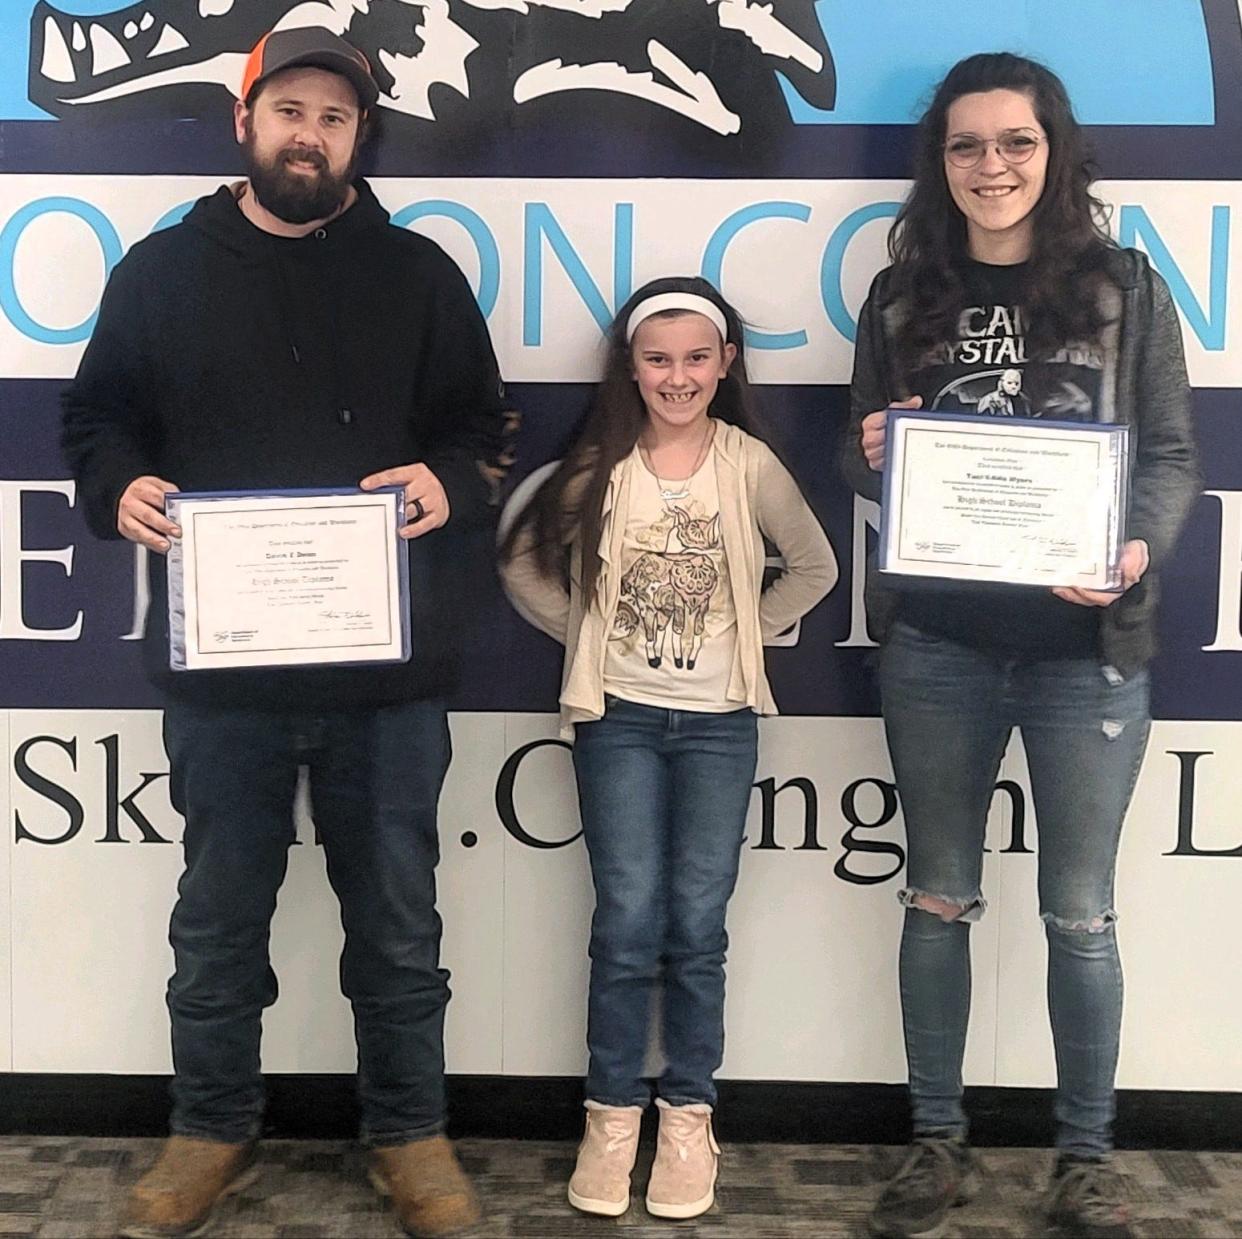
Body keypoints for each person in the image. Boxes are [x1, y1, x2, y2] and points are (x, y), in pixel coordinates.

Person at [61, 27, 509, 1239]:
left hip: (389, 674)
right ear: (245, 122)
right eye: (290, 110)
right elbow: (96, 420)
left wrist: (450, 486)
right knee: (216, 926)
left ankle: (411, 1138)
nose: (309, 134)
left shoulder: (418, 273)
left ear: (360, 139)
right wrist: (121, 489)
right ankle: (209, 1132)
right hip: (225, 677)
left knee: (401, 927)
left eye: (335, 118)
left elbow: (483, 429)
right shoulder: (160, 273)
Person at [840, 53, 1199, 1239]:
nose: (991, 166)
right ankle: (936, 1144)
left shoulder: (1126, 288)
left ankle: (1085, 1159)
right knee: (937, 898)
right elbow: (859, 457)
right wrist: (875, 454)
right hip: (939, 643)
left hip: (1084, 648)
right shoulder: (898, 299)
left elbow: (1170, 457)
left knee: (1081, 913)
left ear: (1054, 150)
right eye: (966, 145)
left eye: (1015, 142)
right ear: (939, 162)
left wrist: (1136, 553)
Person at [500, 276, 836, 1220]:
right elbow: (524, 562)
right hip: (620, 721)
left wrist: (747, 631)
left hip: (720, 722)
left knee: (696, 924)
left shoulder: (749, 463)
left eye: (697, 358)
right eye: (658, 359)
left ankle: (687, 1114)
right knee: (627, 920)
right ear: (630, 368)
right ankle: (611, 1115)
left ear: (725, 364)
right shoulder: (598, 466)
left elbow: (815, 566)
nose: (677, 376)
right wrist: (588, 636)